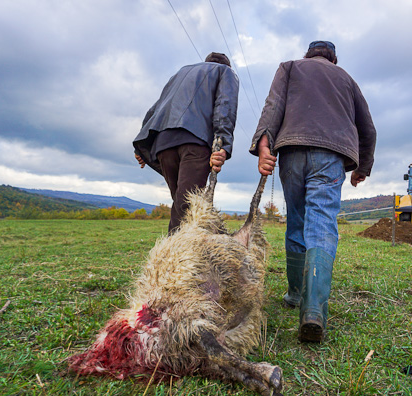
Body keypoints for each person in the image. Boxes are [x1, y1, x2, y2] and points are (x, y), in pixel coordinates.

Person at [249, 41, 377, 342]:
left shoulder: (290, 68)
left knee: (296, 221)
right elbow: (368, 129)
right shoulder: (347, 79)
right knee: (321, 225)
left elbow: (272, 107)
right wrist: (363, 167)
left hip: (291, 151)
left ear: (309, 54)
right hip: (331, 155)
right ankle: (313, 310)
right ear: (333, 58)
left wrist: (263, 145)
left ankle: (295, 295)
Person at [133, 52, 239, 233]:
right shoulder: (225, 72)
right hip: (194, 142)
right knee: (186, 210)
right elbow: (225, 106)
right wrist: (222, 145)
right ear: (226, 65)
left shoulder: (181, 73)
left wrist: (142, 146)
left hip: (163, 144)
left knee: (181, 205)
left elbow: (156, 108)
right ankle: (173, 259)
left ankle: (200, 253)